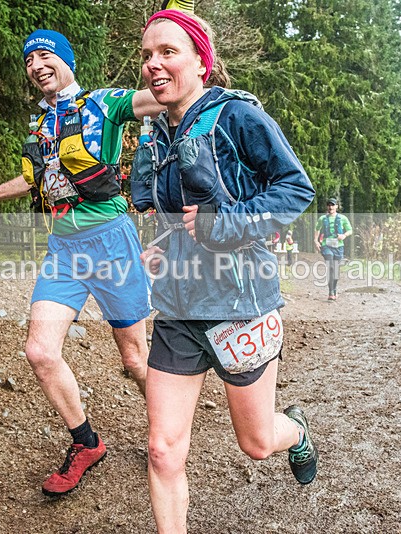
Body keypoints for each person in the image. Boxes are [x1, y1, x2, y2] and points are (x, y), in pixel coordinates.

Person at [0, 29, 164, 497]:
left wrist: (175, 46)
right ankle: (87, 443)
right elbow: (30, 181)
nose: (36, 64)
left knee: (135, 360)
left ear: (66, 60)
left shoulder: (107, 104)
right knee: (40, 352)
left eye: (45, 55)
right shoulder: (39, 129)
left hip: (112, 243)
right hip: (63, 248)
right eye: (28, 60)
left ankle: (166, 430)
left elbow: (162, 97)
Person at [134, 10, 317, 532]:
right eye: (148, 55)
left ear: (200, 61)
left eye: (168, 52)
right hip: (177, 309)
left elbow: (294, 188)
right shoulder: (157, 132)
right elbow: (178, 217)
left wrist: (228, 221)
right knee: (163, 450)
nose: (154, 64)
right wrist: (161, 246)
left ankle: (296, 432)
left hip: (241, 304)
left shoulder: (237, 117)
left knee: (257, 444)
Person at [315, 197, 353, 301]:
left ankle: (334, 289)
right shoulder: (322, 218)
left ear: (336, 206)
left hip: (338, 246)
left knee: (336, 269)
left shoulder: (343, 218)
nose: (330, 207)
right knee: (331, 267)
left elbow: (350, 230)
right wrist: (316, 241)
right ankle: (331, 292)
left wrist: (344, 235)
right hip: (326, 245)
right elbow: (317, 229)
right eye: (329, 205)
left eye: (332, 205)